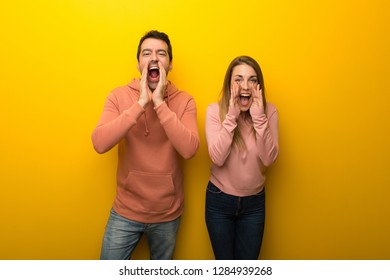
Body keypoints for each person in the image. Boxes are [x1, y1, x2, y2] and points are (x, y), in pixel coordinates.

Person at [92, 30, 200, 260]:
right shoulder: (118, 96)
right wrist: (141, 103)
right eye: (146, 53)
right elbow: (99, 143)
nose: (154, 58)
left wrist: (160, 103)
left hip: (167, 215)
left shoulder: (185, 101)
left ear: (170, 64)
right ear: (139, 63)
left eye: (161, 54)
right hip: (126, 211)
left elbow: (190, 150)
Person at [205, 55, 279, 260]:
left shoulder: (269, 112)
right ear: (229, 84)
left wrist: (259, 118)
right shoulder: (214, 111)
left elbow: (269, 159)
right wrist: (231, 117)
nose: (245, 86)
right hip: (219, 201)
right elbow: (217, 158)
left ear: (259, 85)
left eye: (252, 80)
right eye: (238, 79)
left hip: (254, 204)